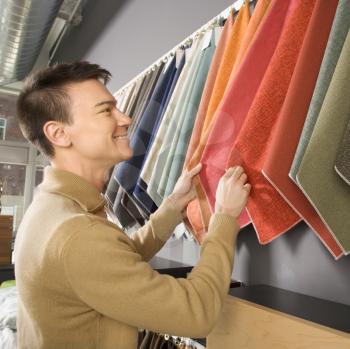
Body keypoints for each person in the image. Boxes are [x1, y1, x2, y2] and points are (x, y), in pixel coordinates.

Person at [14, 61, 251, 349]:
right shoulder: (78, 235)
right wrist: (224, 217)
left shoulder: (49, 208)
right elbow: (195, 312)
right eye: (106, 110)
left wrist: (173, 206)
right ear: (59, 134)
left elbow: (113, 260)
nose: (126, 118)